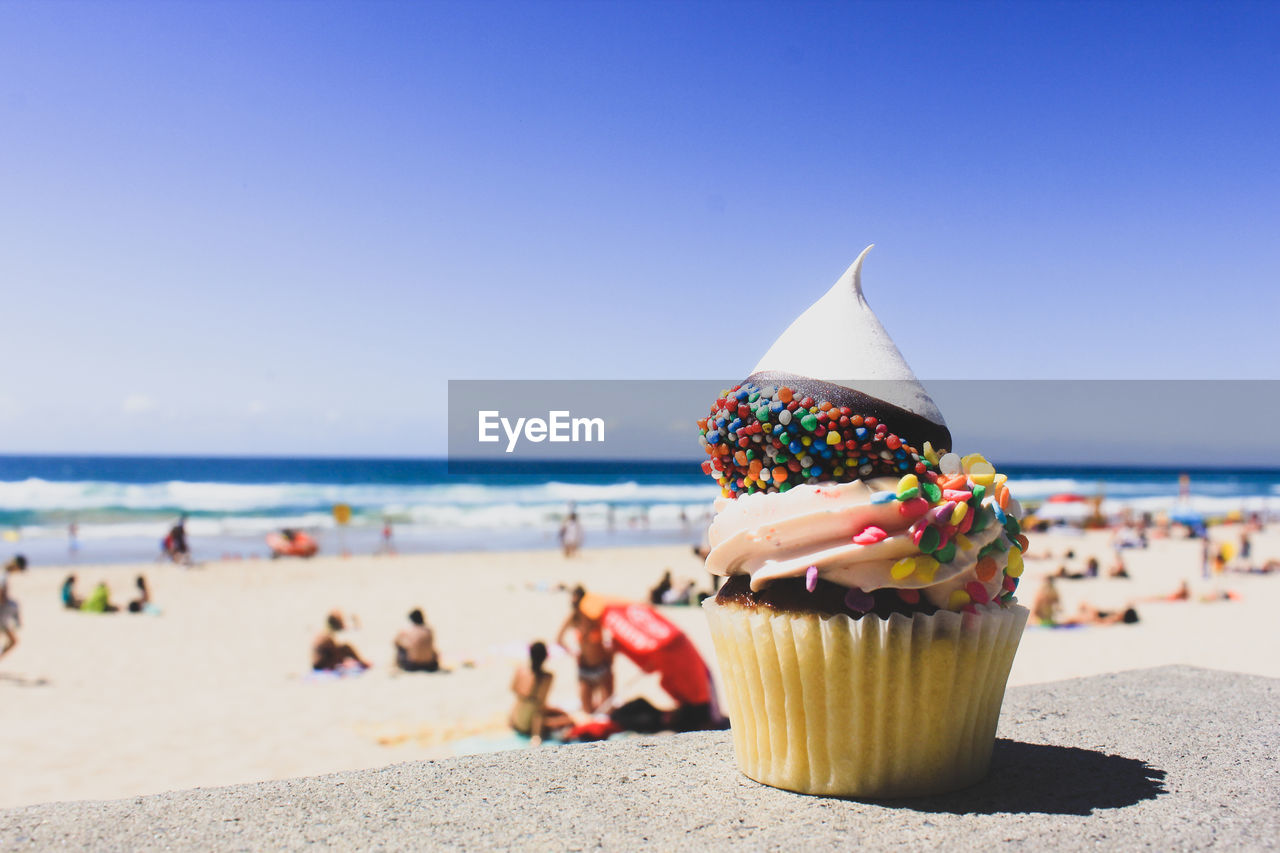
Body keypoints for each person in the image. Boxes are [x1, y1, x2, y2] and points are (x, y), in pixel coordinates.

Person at [556, 585, 613, 713]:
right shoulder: (573, 618)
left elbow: (612, 632)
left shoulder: (595, 616)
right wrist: (573, 653)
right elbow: (559, 639)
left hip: (602, 667)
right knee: (588, 711)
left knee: (607, 711)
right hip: (585, 668)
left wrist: (610, 652)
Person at [509, 641, 574, 745]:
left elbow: (513, 689)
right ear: (545, 657)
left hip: (516, 716)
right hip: (531, 723)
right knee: (568, 720)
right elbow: (540, 706)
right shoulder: (546, 677)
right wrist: (536, 735)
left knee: (558, 712)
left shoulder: (520, 670)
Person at [393, 608, 439, 672]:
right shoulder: (429, 631)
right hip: (430, 665)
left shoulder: (407, 631)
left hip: (412, 665)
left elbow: (395, 642)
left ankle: (396, 665)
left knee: (401, 648)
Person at [0, 556, 27, 661]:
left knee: (13, 641)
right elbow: (1, 597)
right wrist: (12, 605)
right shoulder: (3, 577)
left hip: (3, 615)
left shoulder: (4, 575)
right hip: (2, 616)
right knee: (13, 641)